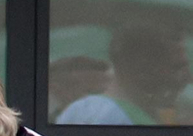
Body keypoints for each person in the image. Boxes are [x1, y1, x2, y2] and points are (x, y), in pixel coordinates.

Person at [54, 26, 189, 125]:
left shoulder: (80, 109)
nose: (186, 77)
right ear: (143, 68)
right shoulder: (116, 119)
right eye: (176, 67)